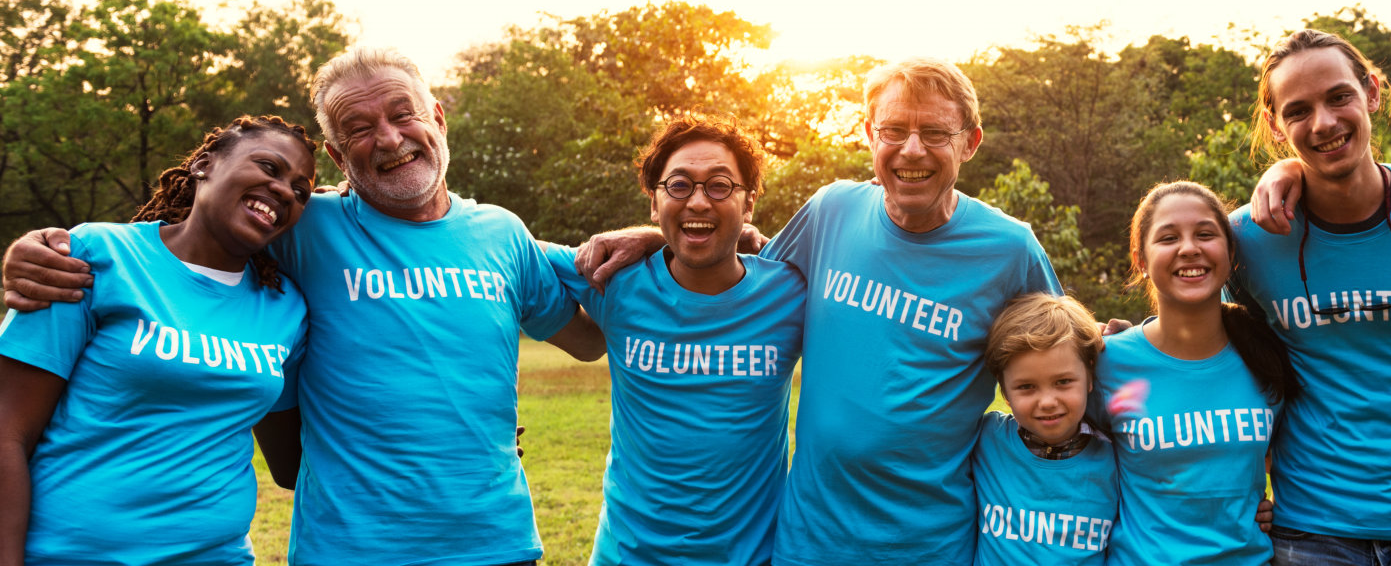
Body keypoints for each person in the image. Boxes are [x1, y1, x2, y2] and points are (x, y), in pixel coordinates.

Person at [1, 46, 607, 565]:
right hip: (347, 549)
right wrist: (35, 249)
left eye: (403, 114)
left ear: (439, 119)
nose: (390, 138)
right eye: (361, 128)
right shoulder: (303, 224)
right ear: (340, 159)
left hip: (493, 542)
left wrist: (656, 237)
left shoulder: (502, 234)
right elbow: (199, 231)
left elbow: (588, 337)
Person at [575, 57, 1059, 565]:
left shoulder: (1009, 250)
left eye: (935, 132)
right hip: (807, 541)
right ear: (871, 133)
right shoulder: (832, 211)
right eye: (894, 129)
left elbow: (1066, 357)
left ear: (970, 142)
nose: (911, 149)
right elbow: (737, 260)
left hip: (928, 546)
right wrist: (654, 236)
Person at [0, 116, 316, 565]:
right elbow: (8, 431)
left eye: (301, 191)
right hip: (71, 555)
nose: (285, 190)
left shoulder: (285, 309)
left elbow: (288, 467)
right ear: (204, 164)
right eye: (269, 167)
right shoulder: (96, 255)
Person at [1230, 29, 1391, 565]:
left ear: (1371, 92)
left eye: (1339, 96)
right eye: (1298, 110)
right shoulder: (1247, 240)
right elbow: (1200, 355)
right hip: (1309, 530)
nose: (1324, 123)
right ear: (1277, 127)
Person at [541, 115, 805, 565]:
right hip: (627, 556)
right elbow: (500, 256)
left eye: (720, 186)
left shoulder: (793, 291)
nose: (698, 202)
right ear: (653, 200)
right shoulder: (612, 278)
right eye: (678, 186)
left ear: (750, 203)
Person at [1093, 181, 1298, 565]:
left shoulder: (1266, 357)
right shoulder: (1107, 363)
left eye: (1205, 234)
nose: (1189, 248)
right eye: (1168, 237)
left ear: (1230, 252)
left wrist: (1254, 507)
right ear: (1140, 259)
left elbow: (1270, 460)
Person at [972, 292, 1118, 566]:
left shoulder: (1117, 460)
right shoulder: (985, 440)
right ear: (1004, 391)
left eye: (1063, 381)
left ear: (1089, 377)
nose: (1048, 402)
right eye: (1026, 387)